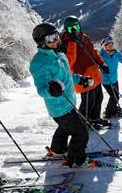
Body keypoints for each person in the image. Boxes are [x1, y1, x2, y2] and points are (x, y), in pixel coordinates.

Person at [30, 22, 90, 167]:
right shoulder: (39, 62)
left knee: (64, 128)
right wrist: (51, 90)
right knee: (81, 133)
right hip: (59, 107)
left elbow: (67, 76)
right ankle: (75, 159)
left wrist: (80, 79)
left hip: (68, 102)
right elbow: (42, 88)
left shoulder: (59, 54)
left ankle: (57, 150)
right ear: (41, 42)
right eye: (50, 38)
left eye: (56, 36)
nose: (56, 40)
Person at [59, 16, 110, 128]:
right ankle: (83, 123)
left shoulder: (84, 37)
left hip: (95, 75)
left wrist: (102, 63)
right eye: (71, 28)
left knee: (98, 98)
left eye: (76, 27)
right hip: (83, 78)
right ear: (66, 30)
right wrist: (72, 42)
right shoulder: (66, 44)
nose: (75, 30)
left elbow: (94, 52)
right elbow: (69, 62)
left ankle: (94, 119)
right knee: (88, 102)